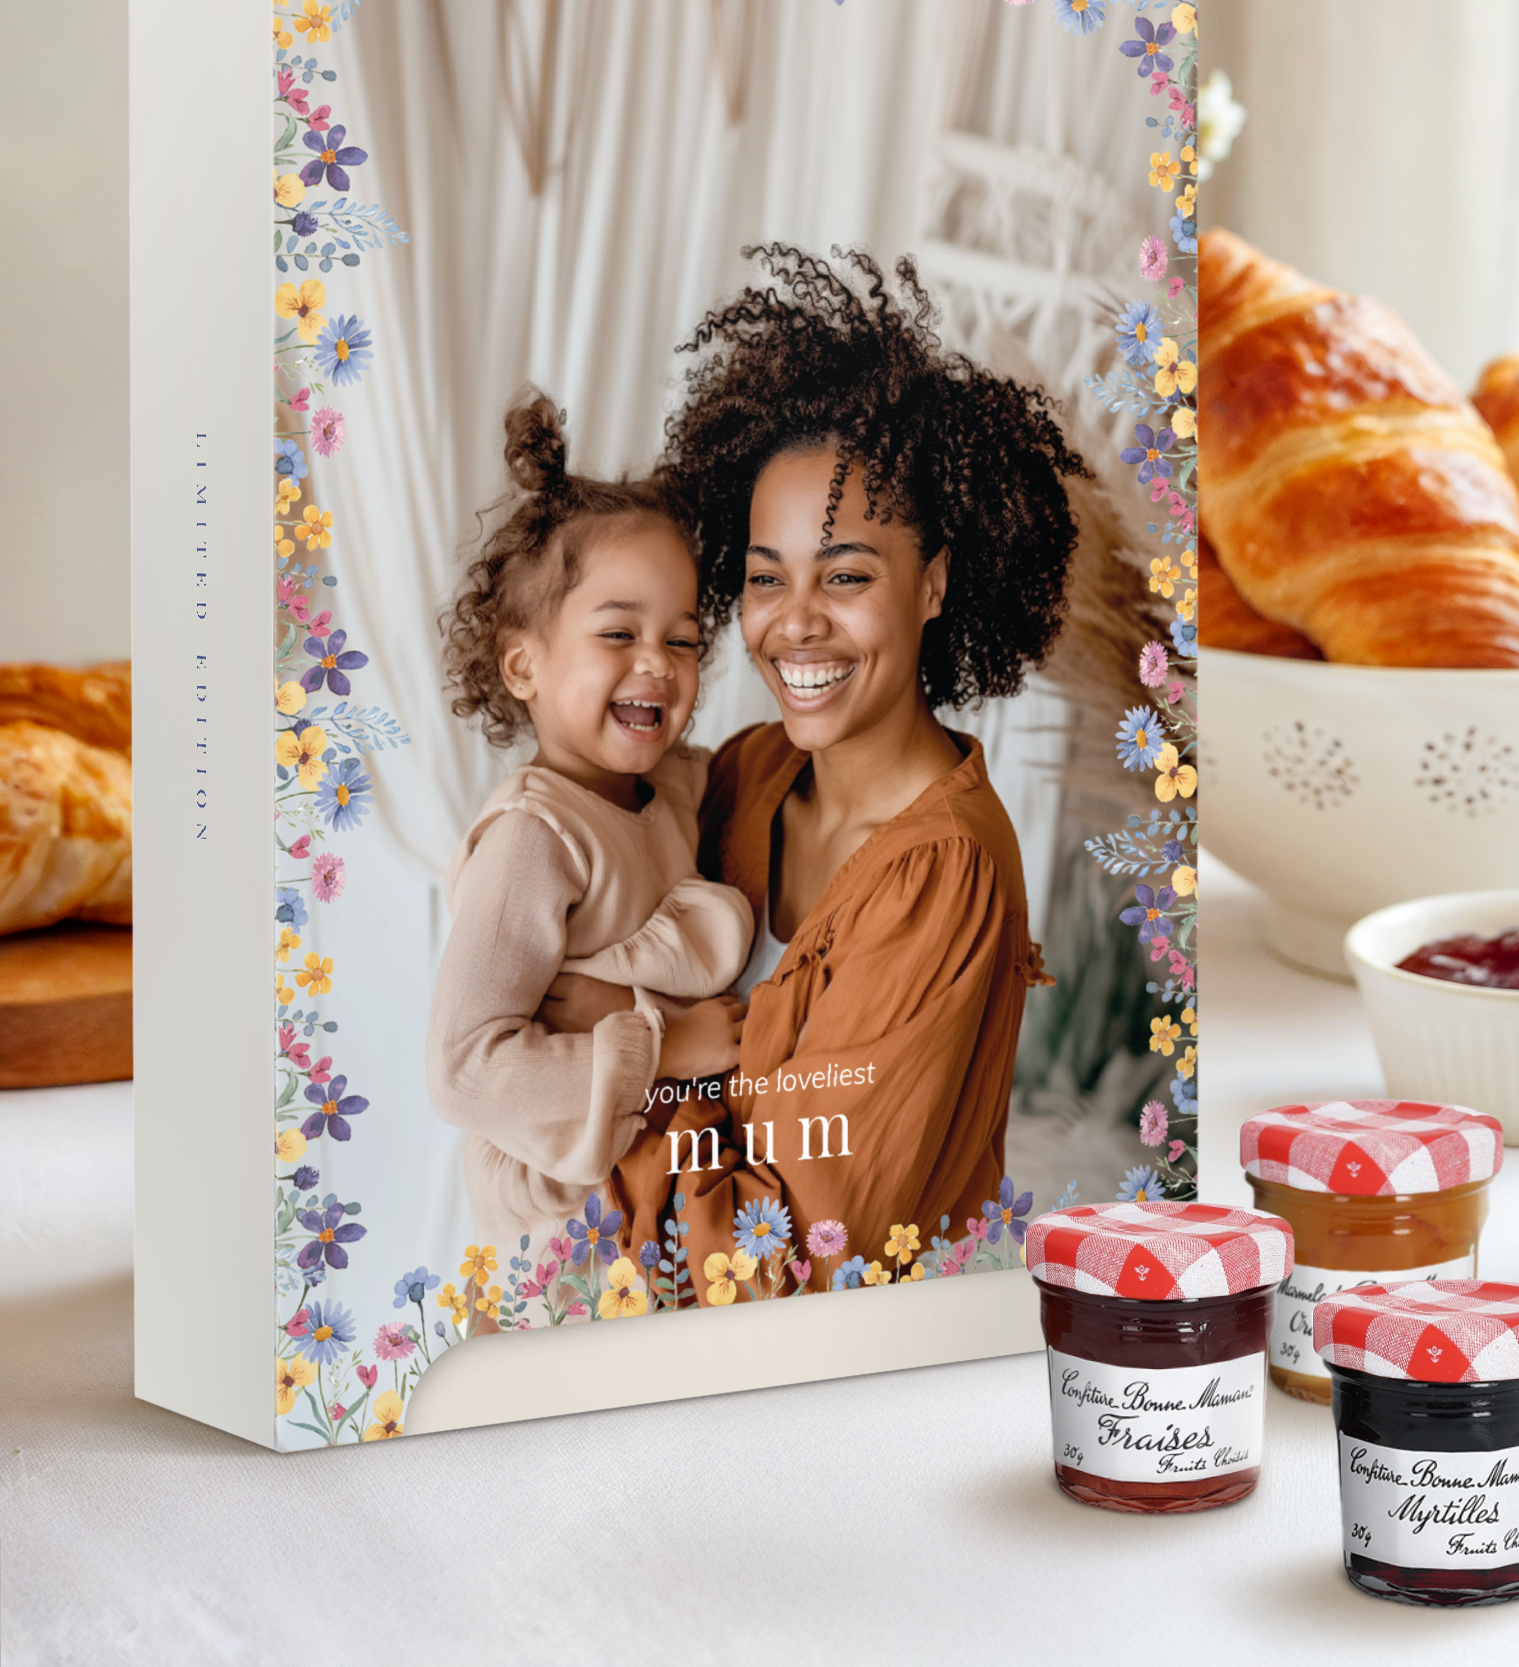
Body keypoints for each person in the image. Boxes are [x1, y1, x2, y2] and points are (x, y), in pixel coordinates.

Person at [613, 244, 1088, 1292]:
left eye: (847, 574)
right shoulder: (745, 772)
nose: (794, 623)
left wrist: (612, 1086)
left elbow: (786, 1254)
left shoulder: (942, 876)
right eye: (765, 578)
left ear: (934, 584)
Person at [425, 391, 755, 1284]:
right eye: (619, 633)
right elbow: (461, 1070)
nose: (657, 662)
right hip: (559, 1221)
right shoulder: (535, 837)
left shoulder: (675, 789)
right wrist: (662, 1050)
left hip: (656, 1192)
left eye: (682, 641)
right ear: (524, 663)